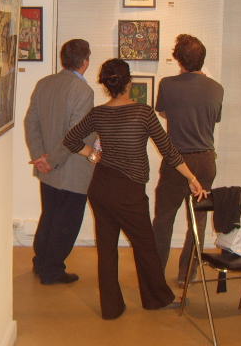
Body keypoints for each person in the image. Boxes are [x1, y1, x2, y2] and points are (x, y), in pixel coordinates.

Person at [58, 58, 206, 320]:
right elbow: (169, 150)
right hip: (128, 191)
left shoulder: (99, 113)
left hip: (101, 188)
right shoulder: (142, 112)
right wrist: (192, 177)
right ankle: (156, 299)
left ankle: (111, 308)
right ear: (129, 82)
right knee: (146, 246)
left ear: (107, 85)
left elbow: (70, 139)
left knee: (107, 249)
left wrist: (92, 154)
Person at [152, 34, 224, 287]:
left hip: (176, 160)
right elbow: (214, 119)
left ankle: (155, 272)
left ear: (179, 59)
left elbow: (163, 112)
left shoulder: (168, 84)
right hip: (205, 160)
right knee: (198, 220)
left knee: (163, 218)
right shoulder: (217, 88)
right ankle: (187, 274)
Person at [24, 39, 95, 285]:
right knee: (66, 222)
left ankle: (41, 262)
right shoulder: (83, 91)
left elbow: (30, 123)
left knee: (50, 215)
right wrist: (51, 160)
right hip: (71, 169)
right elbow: (76, 135)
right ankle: (52, 270)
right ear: (85, 61)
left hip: (47, 167)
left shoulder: (44, 83)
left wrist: (40, 156)